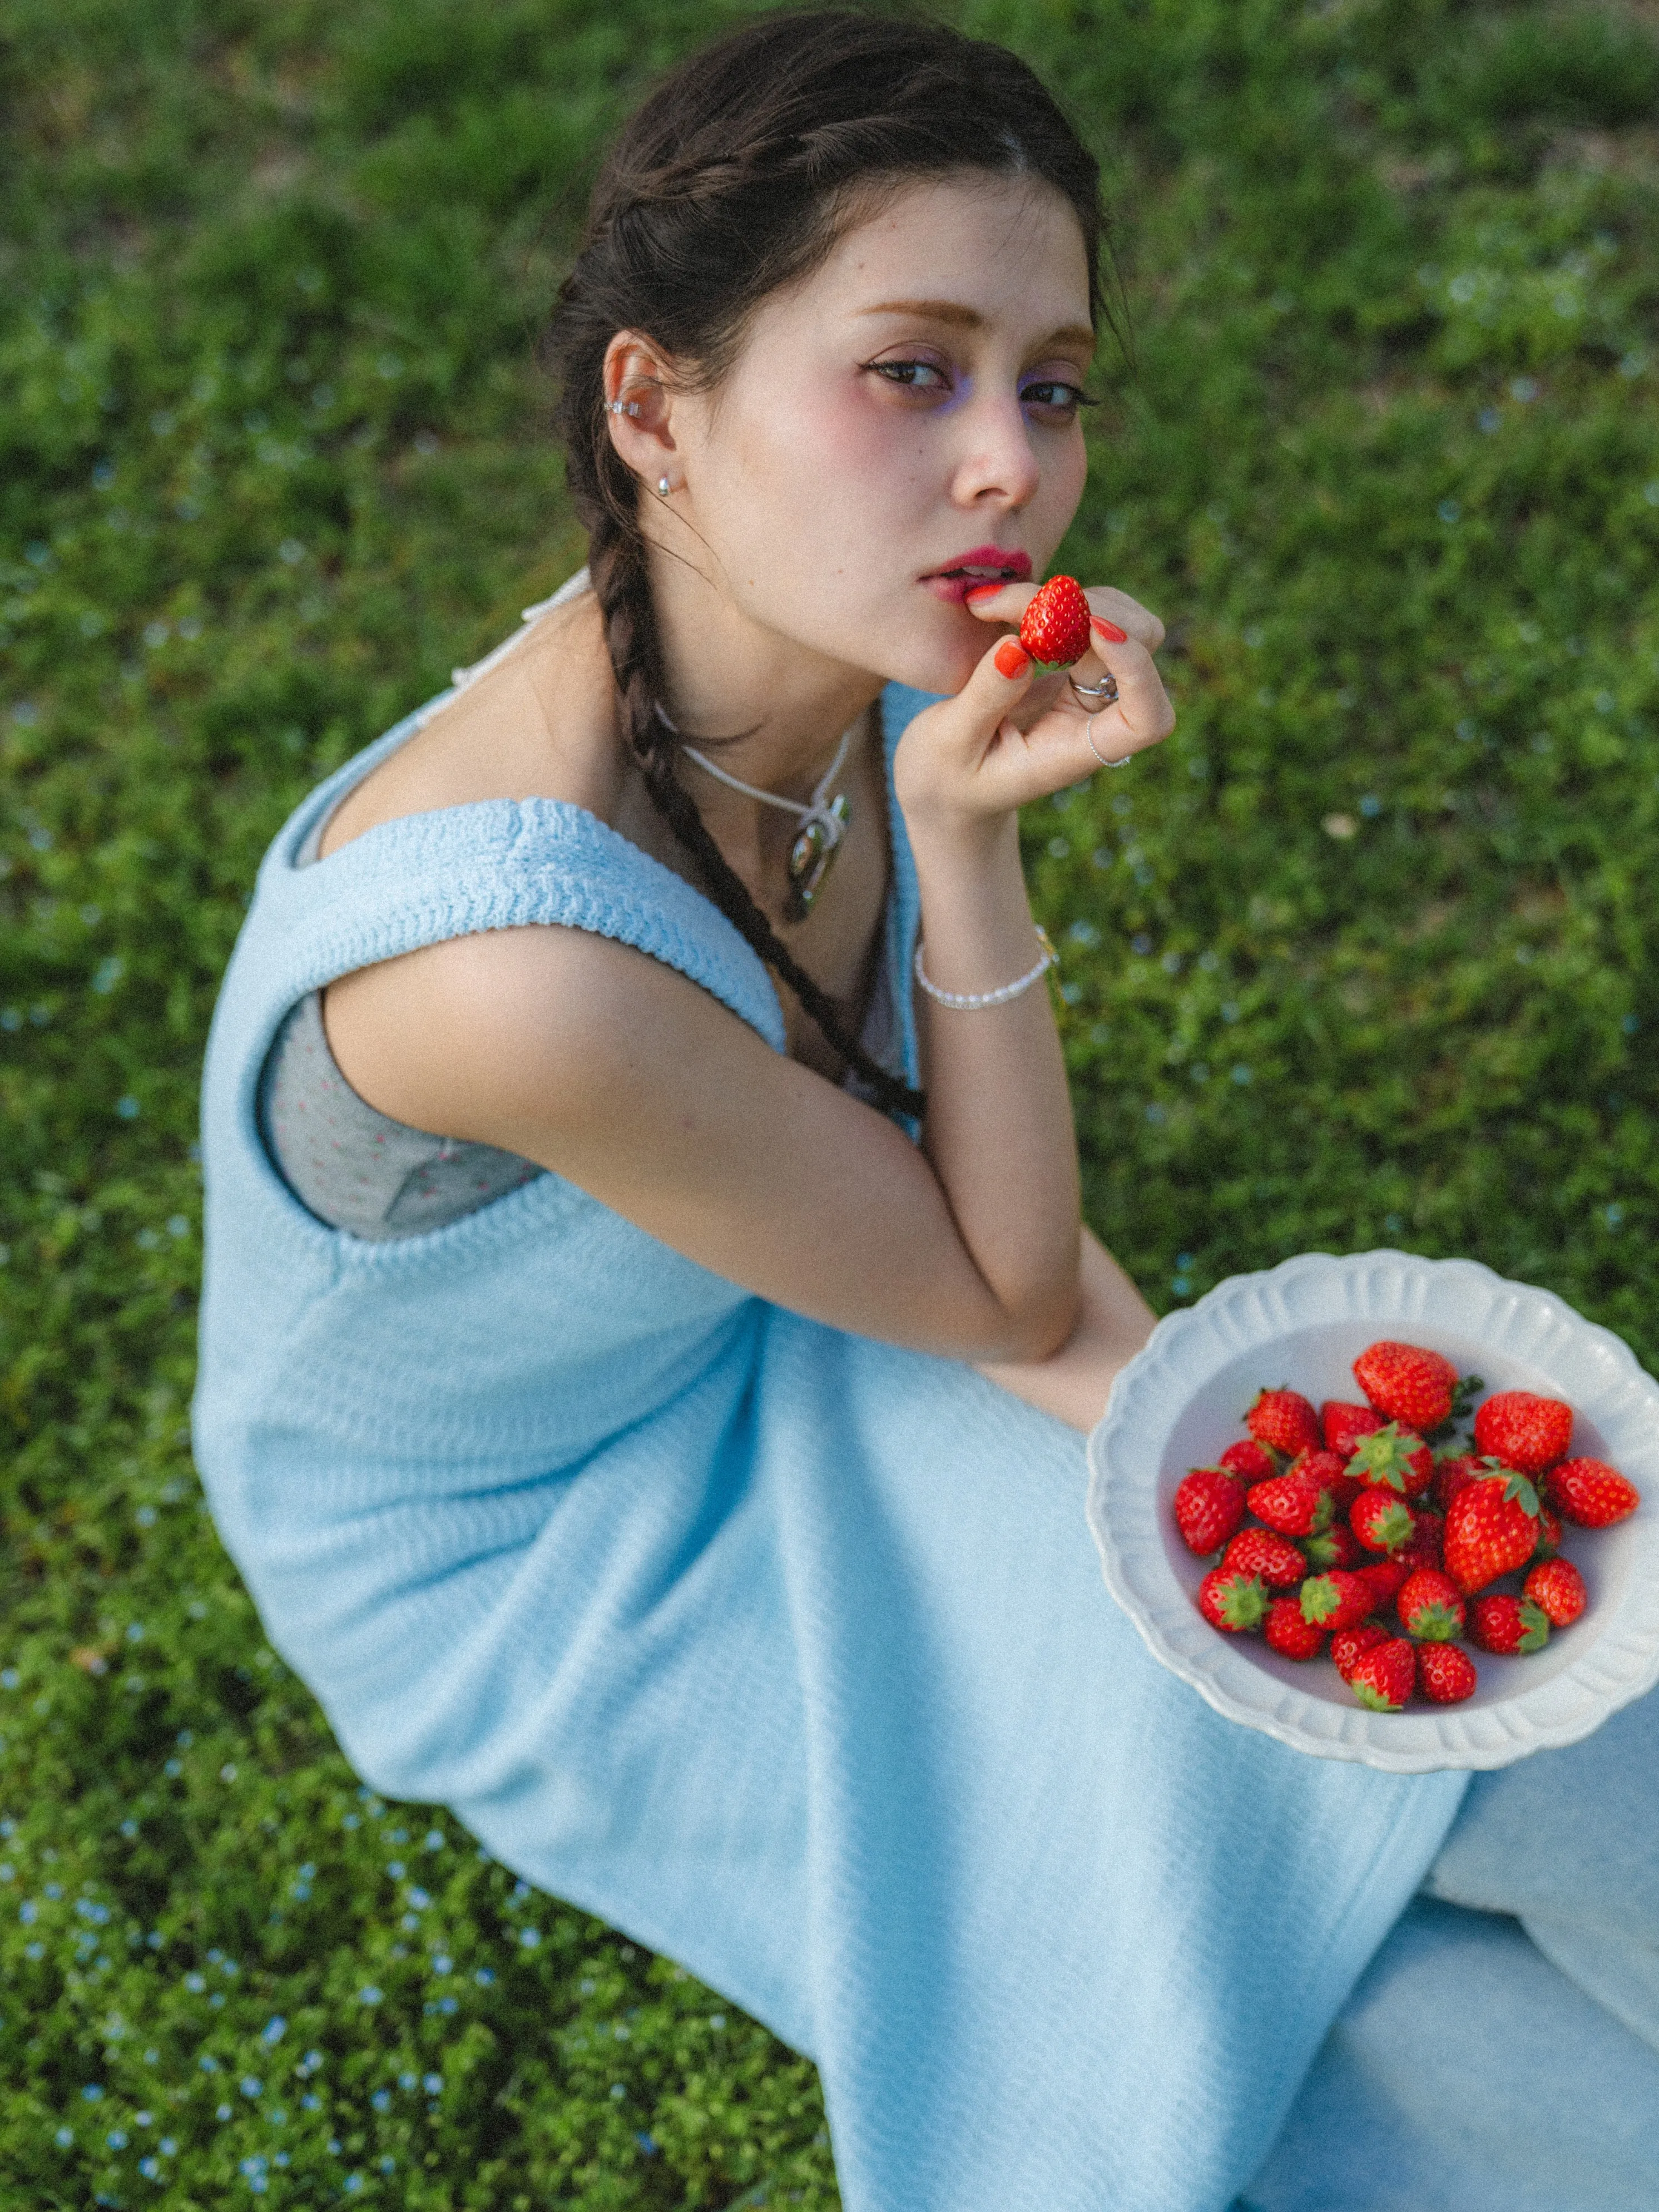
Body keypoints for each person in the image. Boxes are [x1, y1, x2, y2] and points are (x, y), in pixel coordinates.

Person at [194, 14, 1659, 2210]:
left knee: (1508, 1658)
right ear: (652, 408)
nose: (1009, 468)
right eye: (913, 370)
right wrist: (965, 854)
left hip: (804, 1274)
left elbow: (980, 1257)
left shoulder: (789, 658)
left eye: (1047, 383)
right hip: (559, 1542)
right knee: (1315, 1931)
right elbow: (990, 1286)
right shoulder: (517, 973)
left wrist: (1216, 1459)